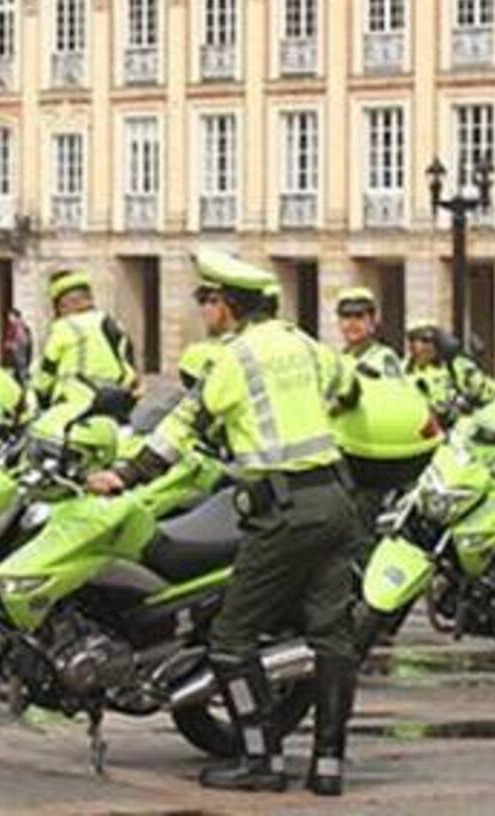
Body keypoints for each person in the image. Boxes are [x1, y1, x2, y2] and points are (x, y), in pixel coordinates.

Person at [87, 249, 360, 796]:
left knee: (231, 640)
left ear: (228, 305)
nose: (202, 310)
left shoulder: (231, 360)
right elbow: (347, 391)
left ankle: (262, 761)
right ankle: (327, 766)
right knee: (332, 638)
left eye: (206, 300)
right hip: (334, 499)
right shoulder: (304, 344)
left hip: (282, 512)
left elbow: (181, 427)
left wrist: (122, 475)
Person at [331, 287, 438, 560]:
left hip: (373, 457)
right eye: (345, 317)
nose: (351, 323)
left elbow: (392, 401)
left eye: (359, 316)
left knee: (362, 532)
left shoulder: (383, 359)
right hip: (344, 450)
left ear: (372, 320)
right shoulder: (341, 358)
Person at [31, 270, 140, 415]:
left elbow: (47, 371)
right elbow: (129, 367)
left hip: (72, 405)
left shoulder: (63, 327)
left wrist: (40, 393)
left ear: (64, 304)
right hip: (112, 403)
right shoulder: (112, 324)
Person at [404, 317, 495, 425]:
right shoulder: (401, 369)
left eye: (426, 340)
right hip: (416, 431)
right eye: (412, 339)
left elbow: (490, 392)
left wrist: (466, 403)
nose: (417, 346)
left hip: (456, 432)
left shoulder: (456, 367)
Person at [2, 308, 34, 382]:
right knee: (17, 374)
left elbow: (22, 343)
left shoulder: (19, 328)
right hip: (16, 357)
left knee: (21, 374)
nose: (9, 318)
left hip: (19, 357)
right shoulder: (14, 327)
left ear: (16, 317)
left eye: (10, 316)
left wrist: (11, 345)